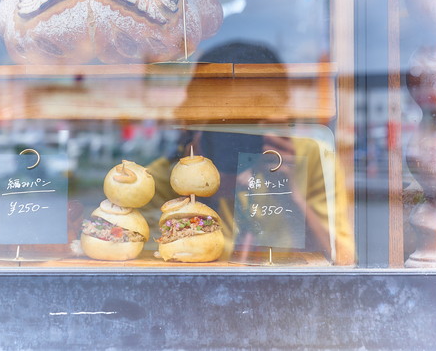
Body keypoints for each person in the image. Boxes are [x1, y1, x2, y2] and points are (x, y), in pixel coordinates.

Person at [140, 40, 354, 265]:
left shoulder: (308, 159)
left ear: (283, 114)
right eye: (221, 122)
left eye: (251, 121)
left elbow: (344, 261)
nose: (237, 137)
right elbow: (150, 264)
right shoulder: (168, 180)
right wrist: (202, 190)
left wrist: (290, 195)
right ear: (193, 121)